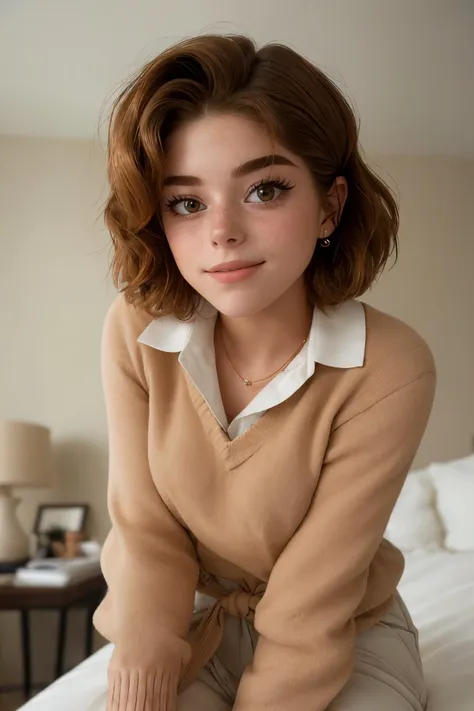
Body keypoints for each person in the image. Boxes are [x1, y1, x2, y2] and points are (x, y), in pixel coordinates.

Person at [92, 34, 436, 711]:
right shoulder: (135, 331)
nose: (222, 231)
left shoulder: (391, 365)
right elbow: (144, 525)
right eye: (186, 202)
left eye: (264, 190)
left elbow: (317, 594)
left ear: (330, 207)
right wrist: (143, 658)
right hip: (191, 620)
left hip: (347, 631)